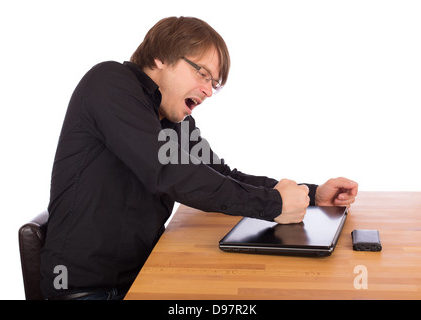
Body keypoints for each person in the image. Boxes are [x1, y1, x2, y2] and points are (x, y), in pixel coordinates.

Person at [40, 16, 358, 300]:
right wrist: (274, 206)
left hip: (142, 276)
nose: (207, 91)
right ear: (160, 57)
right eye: (203, 74)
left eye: (213, 84)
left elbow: (220, 174)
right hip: (84, 290)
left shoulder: (173, 118)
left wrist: (311, 193)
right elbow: (169, 172)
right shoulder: (109, 83)